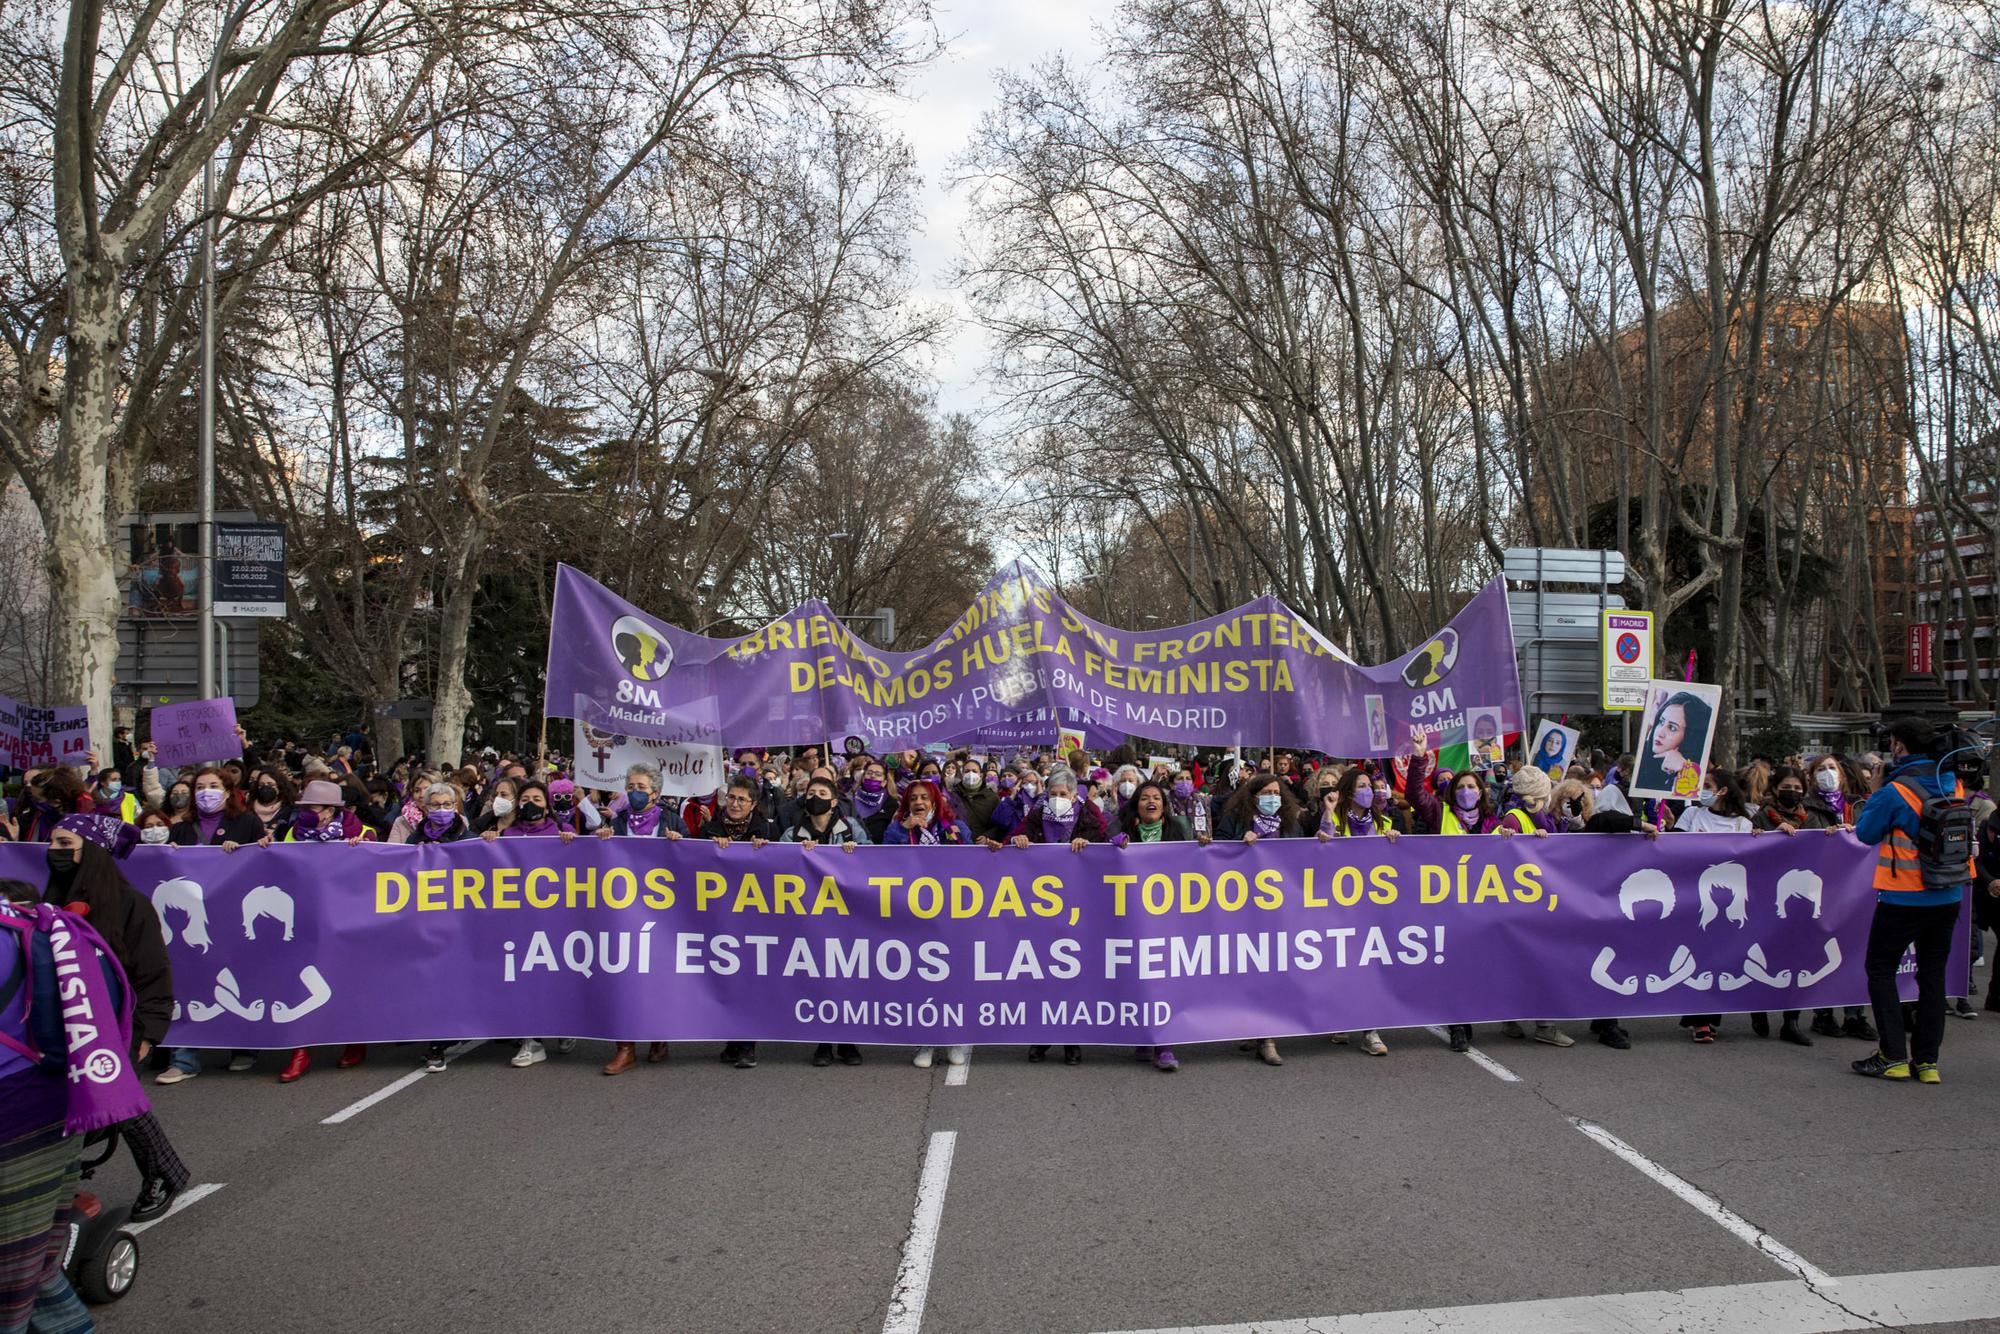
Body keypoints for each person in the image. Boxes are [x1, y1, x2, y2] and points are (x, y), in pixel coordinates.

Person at [0, 890, 145, 1333]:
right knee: (37, 1269)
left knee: (14, 1283)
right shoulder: (25, 920)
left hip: (16, 1119)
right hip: (57, 1101)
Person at [42, 815, 187, 1224]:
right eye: (52, 842)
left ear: (88, 849)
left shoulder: (130, 904)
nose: (55, 850)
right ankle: (57, 1187)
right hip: (65, 1022)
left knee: (119, 1105)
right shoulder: (50, 901)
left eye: (64, 842)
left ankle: (163, 1175)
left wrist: (148, 1032)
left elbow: (153, 972)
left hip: (117, 1024)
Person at [1850, 718, 1975, 1083]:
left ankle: (1892, 1056)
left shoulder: (1895, 791)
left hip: (1904, 897)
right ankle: (1927, 1062)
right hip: (1949, 894)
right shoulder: (1954, 782)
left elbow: (1866, 833)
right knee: (1932, 976)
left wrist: (1875, 789)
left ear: (1899, 746)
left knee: (1881, 969)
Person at [1098, 781, 1198, 1072]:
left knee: (1163, 979)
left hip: (1168, 919)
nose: (1151, 802)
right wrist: (1114, 847)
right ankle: (1144, 1036)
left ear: (1164, 806)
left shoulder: (1178, 830)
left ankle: (1164, 1045)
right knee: (1137, 978)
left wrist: (1202, 847)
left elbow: (1192, 866)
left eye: (1156, 798)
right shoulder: (1120, 830)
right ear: (1136, 805)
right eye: (1145, 798)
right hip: (1130, 918)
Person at [885, 780, 974, 1070]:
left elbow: (974, 866)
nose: (919, 802)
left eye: (924, 797)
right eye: (913, 798)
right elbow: (882, 860)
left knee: (955, 978)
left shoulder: (956, 828)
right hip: (914, 915)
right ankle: (926, 1039)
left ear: (935, 800)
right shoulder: (897, 828)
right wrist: (905, 829)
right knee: (923, 979)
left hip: (954, 915)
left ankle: (956, 1037)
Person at [1216, 773, 1304, 1065]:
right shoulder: (1236, 820)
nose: (1272, 797)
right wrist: (1239, 846)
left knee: (1273, 969)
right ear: (1252, 796)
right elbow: (1217, 853)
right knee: (1249, 968)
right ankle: (1253, 1027)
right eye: (1266, 791)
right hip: (1243, 907)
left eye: (1277, 792)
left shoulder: (1291, 824)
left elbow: (1305, 859)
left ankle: (1267, 1036)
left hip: (1280, 909)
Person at [780, 775, 867, 1068]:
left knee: (846, 977)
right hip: (809, 918)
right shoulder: (793, 833)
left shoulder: (850, 829)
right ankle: (823, 1042)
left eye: (821, 792)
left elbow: (873, 860)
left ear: (833, 802)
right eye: (810, 792)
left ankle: (848, 1042)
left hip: (846, 916)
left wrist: (856, 853)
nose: (814, 796)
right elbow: (775, 864)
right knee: (819, 978)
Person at [1673, 770, 1761, 1044]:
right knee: (1699, 956)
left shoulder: (1743, 825)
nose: (1703, 791)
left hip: (1731, 900)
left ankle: (1711, 1016)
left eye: (1708, 786)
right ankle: (1699, 1019)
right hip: (1695, 898)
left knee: (1722, 958)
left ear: (1723, 791)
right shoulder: (1692, 816)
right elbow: (1672, 846)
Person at [1634, 691, 1712, 799]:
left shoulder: (1702, 770)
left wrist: (1685, 769)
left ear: (1690, 737)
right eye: (1661, 722)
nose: (1660, 733)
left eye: (1672, 728)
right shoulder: (1640, 757)